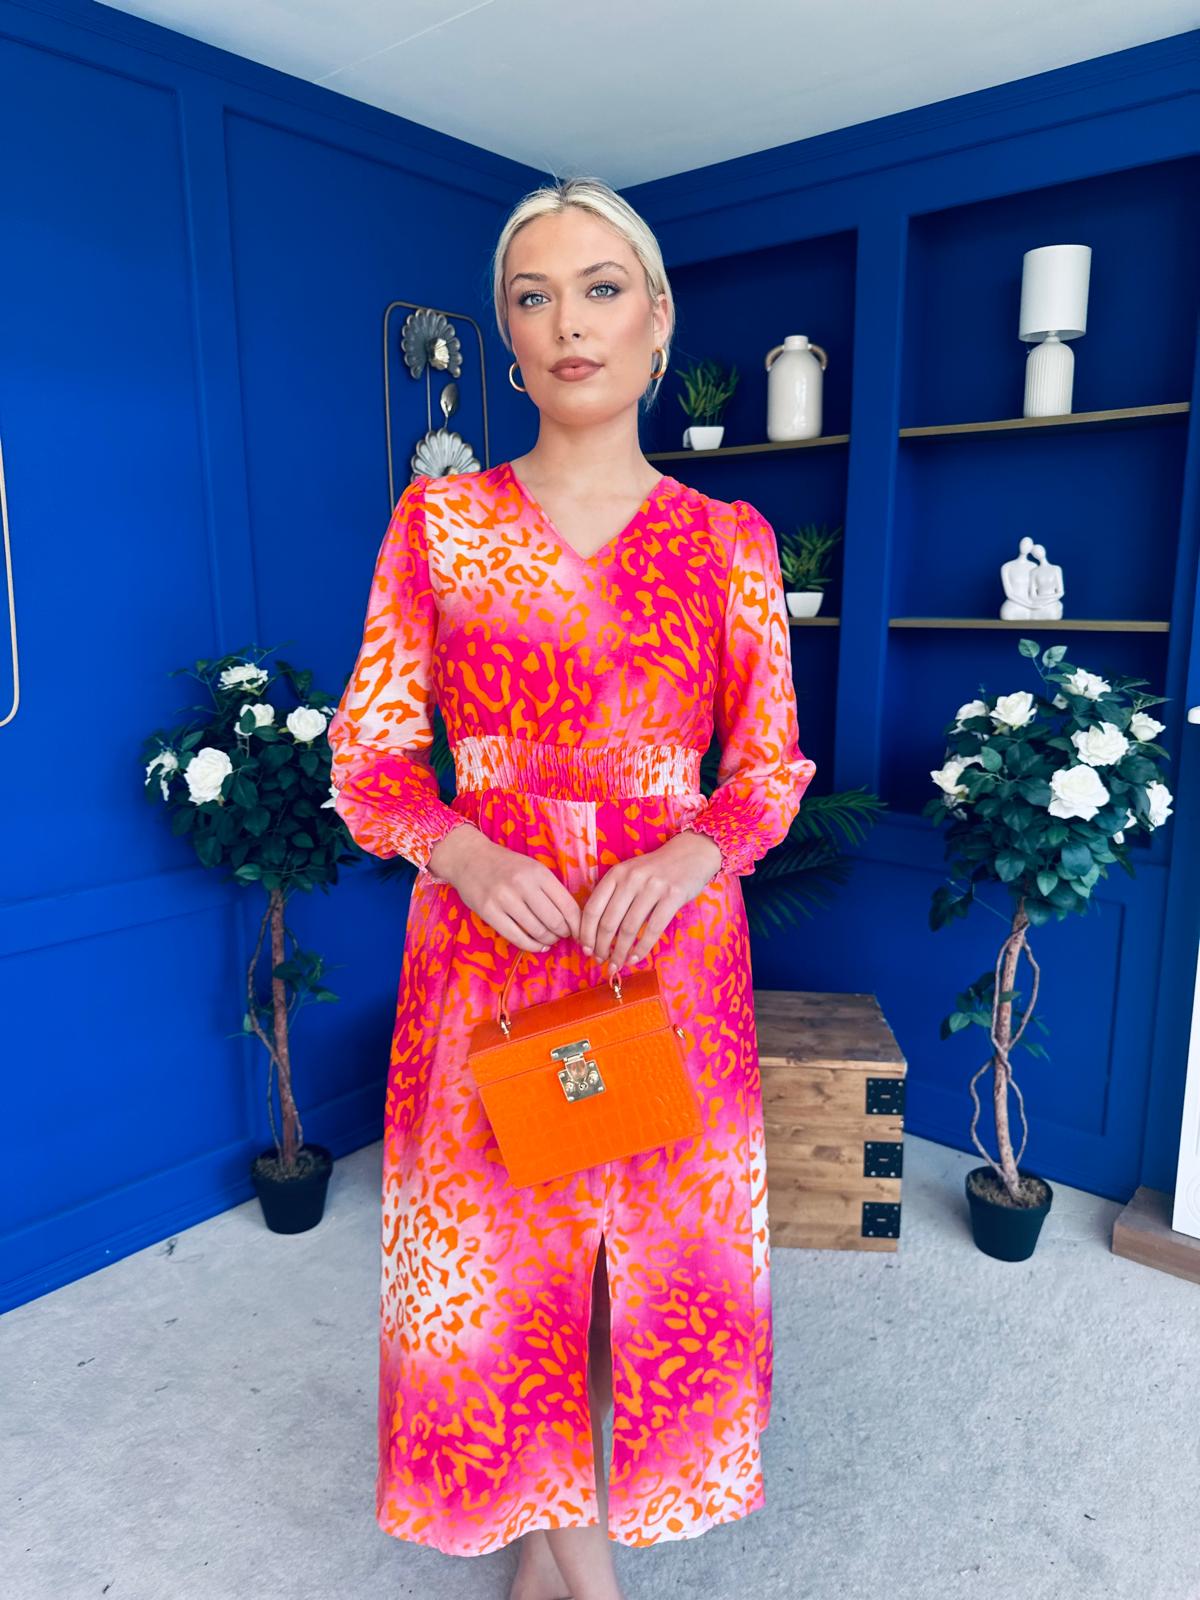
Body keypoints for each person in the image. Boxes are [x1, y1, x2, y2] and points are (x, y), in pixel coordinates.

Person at [326, 176, 816, 1600]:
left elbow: (767, 771)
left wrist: (686, 854)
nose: (568, 324)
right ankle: (577, 1572)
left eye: (601, 289)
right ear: (508, 336)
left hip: (664, 955)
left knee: (647, 1274)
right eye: (532, 298)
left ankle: (560, 1554)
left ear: (658, 319)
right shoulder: (442, 527)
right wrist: (466, 851)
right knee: (505, 1270)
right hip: (491, 954)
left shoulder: (729, 539)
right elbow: (370, 756)